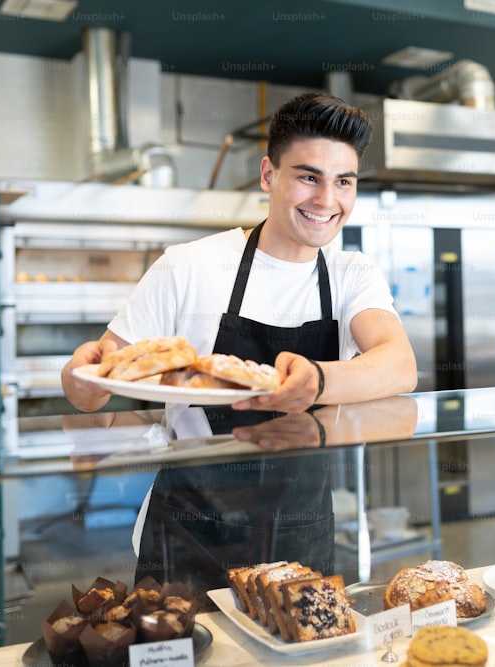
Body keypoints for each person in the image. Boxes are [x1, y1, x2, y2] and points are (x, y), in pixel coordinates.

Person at [59, 91, 417, 606]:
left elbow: (399, 364)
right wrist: (80, 380)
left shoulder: (350, 274)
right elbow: (96, 382)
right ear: (268, 174)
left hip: (300, 530)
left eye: (344, 181)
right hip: (189, 532)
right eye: (308, 176)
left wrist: (316, 381)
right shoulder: (188, 266)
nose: (326, 199)